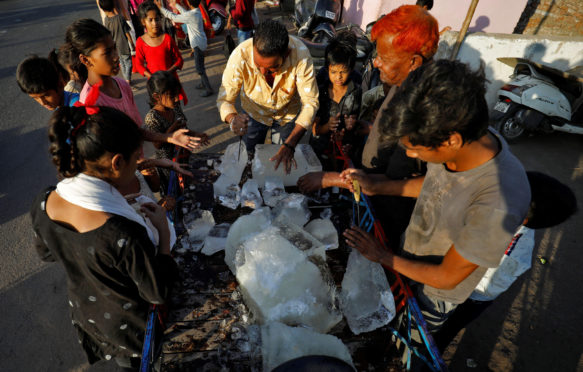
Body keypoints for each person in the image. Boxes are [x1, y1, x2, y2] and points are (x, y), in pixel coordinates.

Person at [342, 60, 531, 365]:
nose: (412, 155)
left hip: (435, 294)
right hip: (409, 254)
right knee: (388, 318)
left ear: (452, 140)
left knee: (412, 343)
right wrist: (378, 187)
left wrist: (381, 256)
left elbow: (447, 276)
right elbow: (435, 183)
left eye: (415, 150)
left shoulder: (498, 199)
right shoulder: (467, 138)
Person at [30, 105, 177, 370]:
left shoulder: (45, 201)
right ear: (117, 162)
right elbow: (157, 292)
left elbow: (47, 252)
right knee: (139, 364)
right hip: (131, 328)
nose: (137, 168)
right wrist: (163, 234)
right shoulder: (123, 234)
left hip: (90, 316)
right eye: (135, 160)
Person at [432, 171, 578, 352]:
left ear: (523, 214)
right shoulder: (515, 221)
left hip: (471, 296)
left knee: (441, 332)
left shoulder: (507, 248)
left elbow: (469, 281)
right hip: (475, 288)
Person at [298, 5, 439, 190]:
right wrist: (371, 129)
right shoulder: (400, 84)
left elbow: (432, 185)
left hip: (393, 206)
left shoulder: (429, 106)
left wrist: (335, 179)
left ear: (413, 62)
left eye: (384, 57)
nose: (376, 63)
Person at [63, 18, 202, 152]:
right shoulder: (90, 104)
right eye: (107, 52)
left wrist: (168, 137)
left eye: (114, 48)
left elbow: (135, 130)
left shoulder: (122, 85)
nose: (116, 56)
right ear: (86, 60)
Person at [217, 19, 319, 173]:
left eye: (272, 68)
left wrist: (290, 144)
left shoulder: (300, 54)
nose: (263, 73)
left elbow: (310, 102)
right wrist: (232, 119)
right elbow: (225, 100)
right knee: (248, 157)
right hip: (253, 114)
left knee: (283, 158)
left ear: (287, 54)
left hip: (287, 115)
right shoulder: (240, 55)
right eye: (258, 66)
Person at [144, 70, 209, 193]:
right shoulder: (152, 117)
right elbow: (157, 144)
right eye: (172, 96)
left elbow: (183, 127)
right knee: (174, 192)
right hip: (168, 164)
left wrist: (196, 134)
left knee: (188, 186)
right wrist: (172, 128)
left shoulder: (174, 106)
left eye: (177, 94)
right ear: (156, 97)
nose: (176, 99)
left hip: (182, 156)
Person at [309, 30, 362, 167]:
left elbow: (358, 121)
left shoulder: (356, 91)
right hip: (320, 150)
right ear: (328, 69)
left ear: (350, 70)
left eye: (343, 72)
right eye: (334, 72)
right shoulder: (321, 91)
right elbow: (315, 130)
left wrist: (352, 126)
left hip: (344, 150)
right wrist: (328, 126)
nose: (338, 77)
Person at [154, 0, 214, 97]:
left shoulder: (191, 15)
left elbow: (174, 17)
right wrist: (176, 5)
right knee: (201, 66)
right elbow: (186, 14)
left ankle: (208, 88)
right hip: (201, 43)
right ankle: (204, 83)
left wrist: (161, 8)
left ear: (189, 4)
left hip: (198, 45)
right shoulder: (196, 12)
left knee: (200, 69)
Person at [135, 1, 188, 104]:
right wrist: (152, 77)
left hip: (170, 84)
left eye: (157, 19)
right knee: (161, 114)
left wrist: (167, 74)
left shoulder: (167, 39)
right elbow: (139, 64)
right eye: (150, 20)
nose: (154, 23)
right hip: (155, 87)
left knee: (176, 113)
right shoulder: (141, 42)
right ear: (143, 22)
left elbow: (179, 60)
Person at [99, 0, 136, 89]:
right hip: (123, 44)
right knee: (128, 62)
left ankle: (126, 78)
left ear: (103, 9)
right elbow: (127, 32)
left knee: (122, 63)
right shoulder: (120, 18)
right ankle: (127, 79)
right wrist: (131, 43)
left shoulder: (106, 20)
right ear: (113, 6)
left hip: (114, 47)